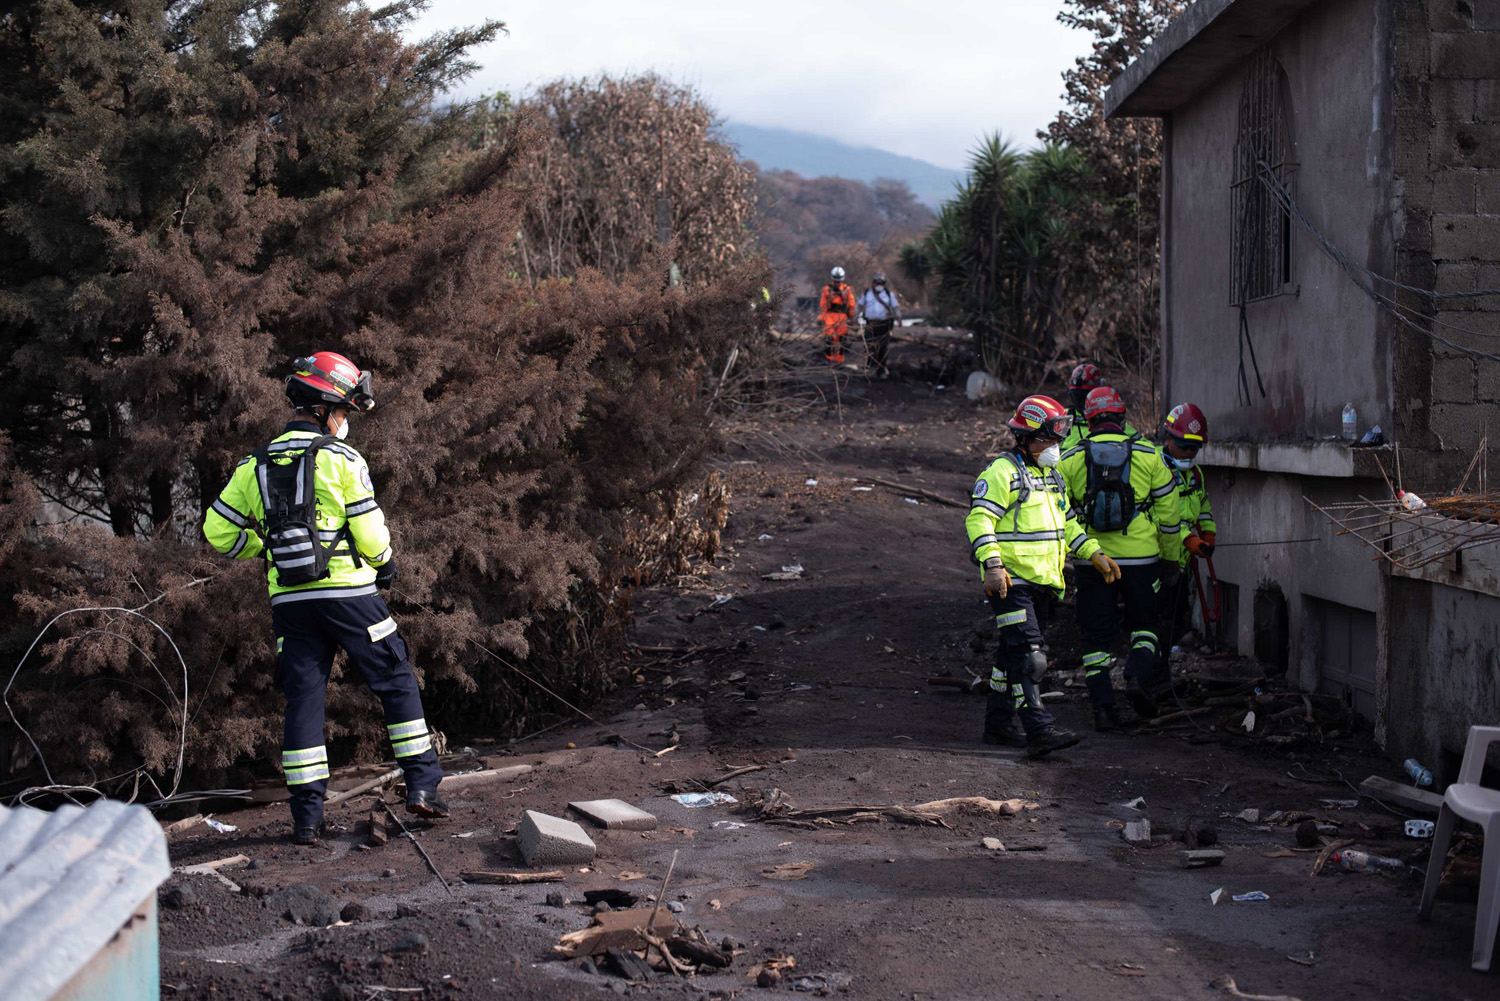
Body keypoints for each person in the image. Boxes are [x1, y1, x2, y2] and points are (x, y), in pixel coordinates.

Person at [202, 352, 448, 845]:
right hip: (351, 597)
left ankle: (307, 820)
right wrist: (386, 565)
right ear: (325, 407)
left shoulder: (254, 465)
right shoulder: (342, 459)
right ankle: (422, 788)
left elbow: (216, 531)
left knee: (304, 702)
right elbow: (371, 531)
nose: (346, 421)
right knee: (396, 678)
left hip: (290, 604)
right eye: (345, 411)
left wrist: (263, 549)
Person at [966, 395, 1121, 755]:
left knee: (1009, 655)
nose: (1055, 447)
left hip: (1043, 582)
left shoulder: (1051, 476)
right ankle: (1039, 730)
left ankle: (998, 726)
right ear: (1025, 437)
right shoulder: (1003, 472)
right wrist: (991, 564)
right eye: (1047, 440)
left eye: (1057, 440)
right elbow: (979, 519)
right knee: (1030, 656)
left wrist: (1093, 552)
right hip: (1009, 581)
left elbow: (1067, 524)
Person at [1058, 386, 1181, 731]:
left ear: (1089, 419)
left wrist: (1071, 550)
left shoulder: (1069, 459)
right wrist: (1171, 560)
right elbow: (1170, 515)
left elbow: (1057, 511)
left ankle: (1103, 710)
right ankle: (1137, 678)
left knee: (1095, 637)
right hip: (1142, 558)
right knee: (1146, 626)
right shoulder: (1148, 454)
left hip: (1093, 558)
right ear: (1122, 417)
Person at [1155, 403, 1217, 685]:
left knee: (1176, 617)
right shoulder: (1154, 468)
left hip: (1182, 560)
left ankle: (1162, 670)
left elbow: (1202, 506)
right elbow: (1158, 515)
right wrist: (1187, 538)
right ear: (1169, 439)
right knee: (1158, 617)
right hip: (1157, 557)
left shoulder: (1196, 474)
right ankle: (1153, 674)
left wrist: (1208, 534)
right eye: (1184, 446)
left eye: (1195, 448)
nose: (1189, 453)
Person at [1060, 363, 1140, 451]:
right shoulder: (1065, 417)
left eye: (1086, 397)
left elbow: (1144, 445)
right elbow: (1048, 448)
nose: (1081, 402)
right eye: (1076, 397)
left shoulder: (1111, 419)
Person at [857, 273, 901, 377]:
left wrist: (899, 318)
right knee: (869, 346)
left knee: (882, 347)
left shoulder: (889, 294)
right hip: (870, 324)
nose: (879, 284)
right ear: (873, 283)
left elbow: (895, 308)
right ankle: (869, 368)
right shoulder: (867, 293)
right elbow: (859, 305)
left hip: (884, 325)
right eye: (877, 282)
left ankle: (881, 370)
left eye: (881, 283)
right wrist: (855, 317)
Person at [819, 266, 856, 364]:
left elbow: (851, 304)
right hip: (830, 316)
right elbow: (823, 305)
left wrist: (851, 316)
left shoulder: (847, 289)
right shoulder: (827, 289)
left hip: (841, 317)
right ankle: (829, 358)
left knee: (841, 339)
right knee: (829, 338)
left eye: (838, 281)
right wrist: (822, 317)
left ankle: (840, 359)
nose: (836, 283)